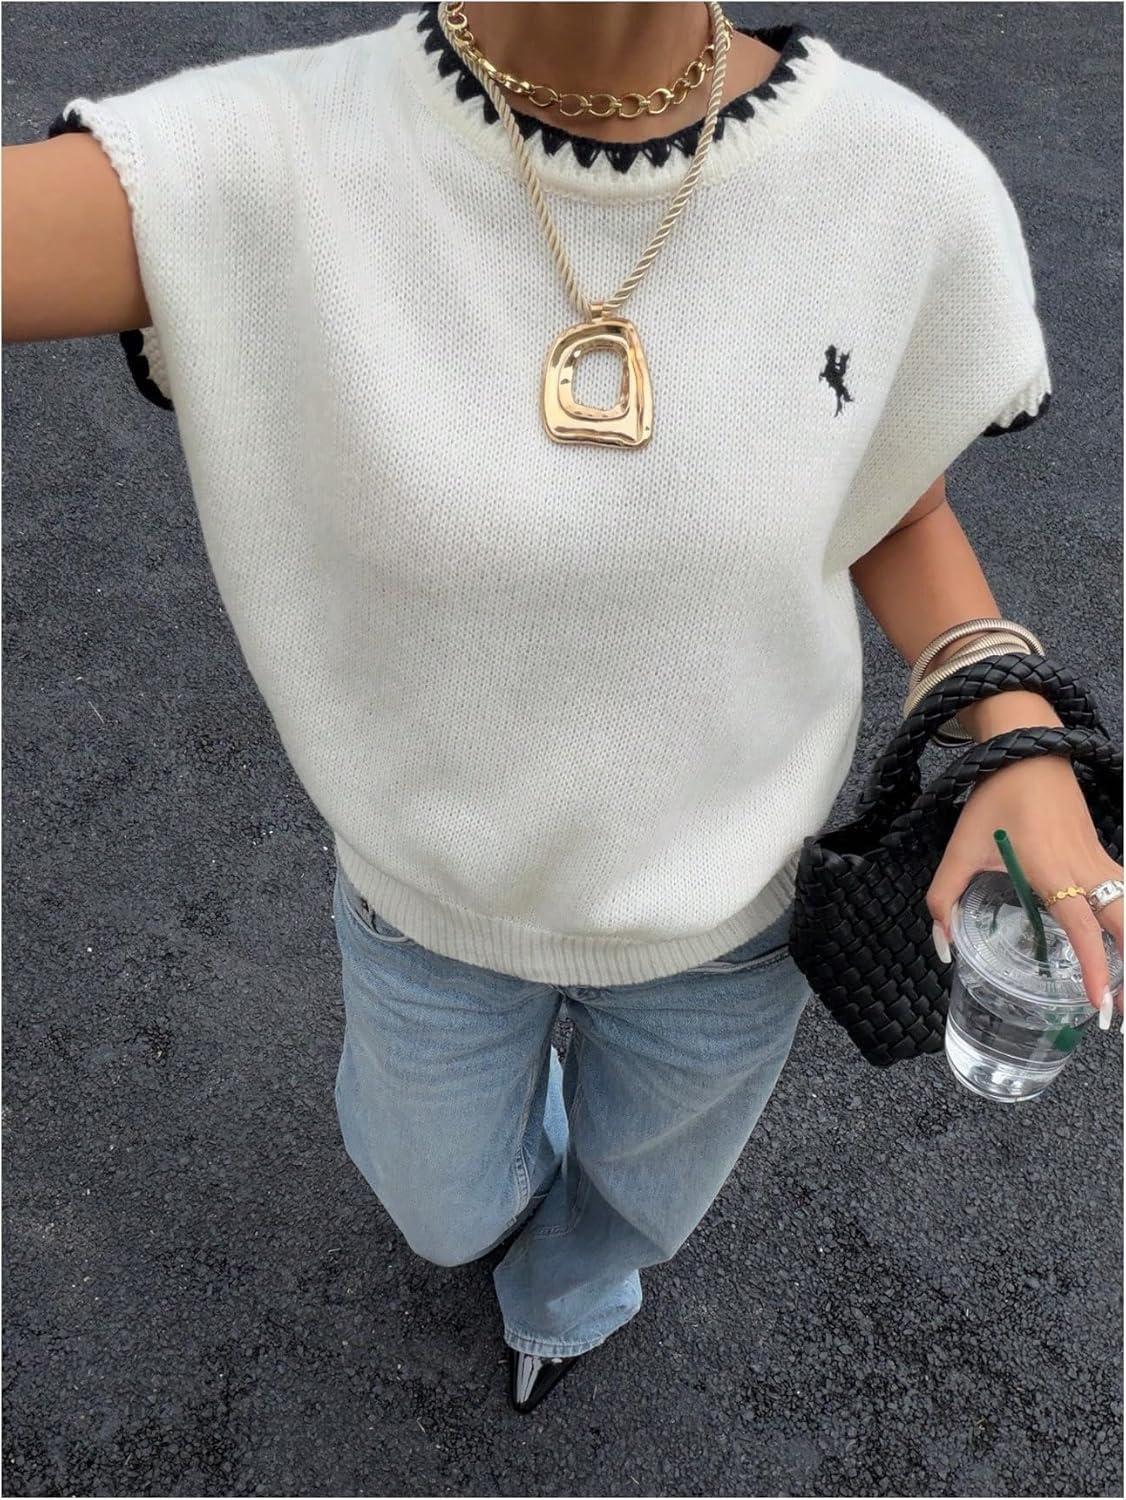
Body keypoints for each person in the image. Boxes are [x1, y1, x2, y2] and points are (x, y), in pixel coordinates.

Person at [4, 1, 1122, 1415]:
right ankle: (510, 1191)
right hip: (430, 903)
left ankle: (571, 1299)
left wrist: (1009, 720)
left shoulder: (901, 182)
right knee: (441, 1207)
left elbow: (893, 498)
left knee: (641, 1204)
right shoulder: (267, 156)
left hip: (732, 913)